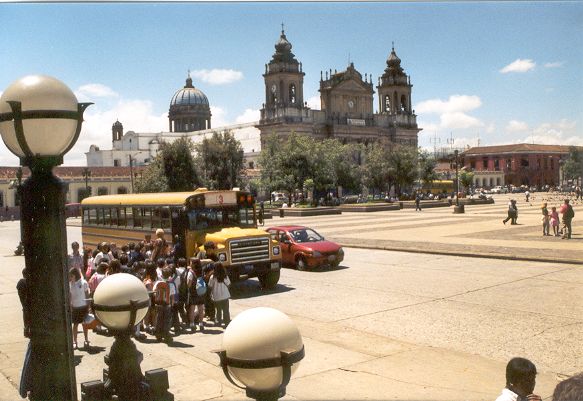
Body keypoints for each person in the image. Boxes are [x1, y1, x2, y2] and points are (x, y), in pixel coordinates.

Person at [69, 267, 90, 350]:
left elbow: (87, 294)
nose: (70, 278)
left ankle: (86, 340)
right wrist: (70, 306)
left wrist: (88, 306)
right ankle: (75, 342)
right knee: (75, 325)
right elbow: (70, 296)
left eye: (71, 276)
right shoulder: (70, 284)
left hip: (83, 306)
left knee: (85, 324)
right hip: (75, 307)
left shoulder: (84, 282)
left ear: (75, 275)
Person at [152, 267, 174, 342]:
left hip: (159, 304)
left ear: (162, 275)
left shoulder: (158, 283)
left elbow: (154, 291)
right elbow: (172, 295)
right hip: (167, 304)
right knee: (167, 320)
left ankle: (158, 335)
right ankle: (166, 334)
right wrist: (172, 303)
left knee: (159, 319)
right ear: (170, 275)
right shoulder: (171, 284)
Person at [208, 263, 231, 327]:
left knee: (218, 310)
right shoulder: (225, 276)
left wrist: (210, 294)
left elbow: (210, 286)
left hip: (217, 296)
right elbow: (228, 284)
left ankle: (219, 322)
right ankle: (227, 322)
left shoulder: (212, 277)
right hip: (225, 295)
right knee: (226, 310)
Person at [187, 258, 206, 332]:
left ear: (193, 264)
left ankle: (192, 324)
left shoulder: (191, 272)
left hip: (193, 292)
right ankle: (201, 324)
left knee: (192, 308)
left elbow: (189, 284)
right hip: (200, 291)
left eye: (191, 262)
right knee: (200, 308)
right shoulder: (201, 271)